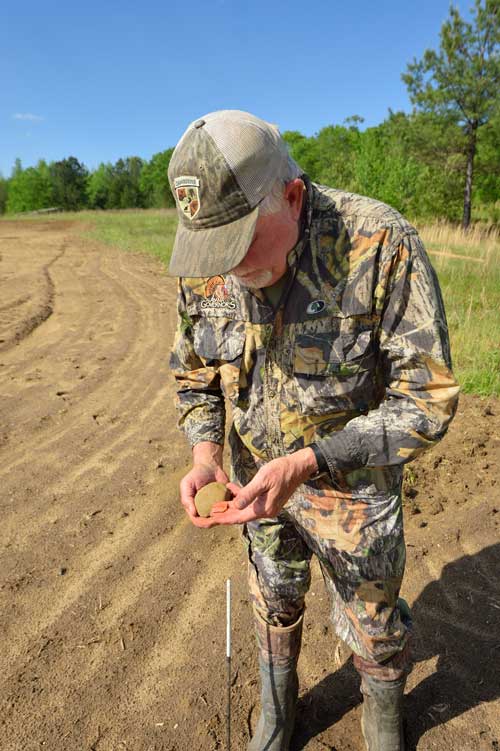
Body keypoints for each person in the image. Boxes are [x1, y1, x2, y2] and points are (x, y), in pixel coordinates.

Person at [168, 110, 459, 751]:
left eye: (242, 243)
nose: (230, 267)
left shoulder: (379, 244)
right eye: (214, 249)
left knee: (375, 619)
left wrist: (310, 461)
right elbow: (194, 375)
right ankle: (278, 712)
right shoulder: (207, 260)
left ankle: (382, 716)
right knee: (274, 594)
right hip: (254, 487)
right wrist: (205, 451)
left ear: (292, 197)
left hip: (353, 486)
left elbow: (427, 398)